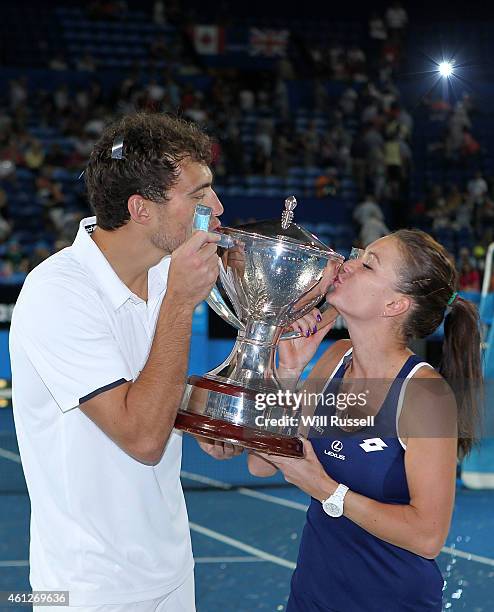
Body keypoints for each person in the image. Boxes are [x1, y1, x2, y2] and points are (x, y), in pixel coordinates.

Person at [10, 112, 241, 612]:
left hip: (173, 570)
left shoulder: (162, 276)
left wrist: (208, 414)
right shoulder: (58, 292)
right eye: (199, 195)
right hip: (88, 588)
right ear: (141, 209)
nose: (217, 208)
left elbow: (161, 394)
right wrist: (181, 304)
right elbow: (141, 436)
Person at [249, 229, 482, 611]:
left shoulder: (424, 395)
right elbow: (260, 463)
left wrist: (328, 490)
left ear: (394, 304)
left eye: (367, 264)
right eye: (358, 253)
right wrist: (288, 371)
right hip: (311, 597)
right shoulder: (334, 358)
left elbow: (428, 537)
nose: (347, 263)